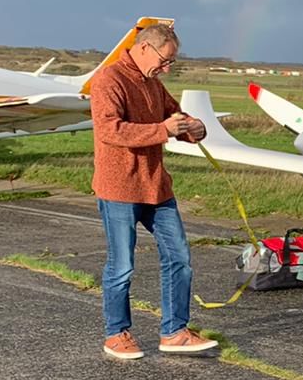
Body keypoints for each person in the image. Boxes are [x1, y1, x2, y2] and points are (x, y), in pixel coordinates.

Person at [90, 22, 218, 360]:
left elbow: (175, 117)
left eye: (171, 62)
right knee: (122, 266)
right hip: (119, 188)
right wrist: (162, 130)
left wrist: (195, 128)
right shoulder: (109, 79)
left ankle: (174, 332)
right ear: (145, 47)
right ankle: (116, 334)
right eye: (165, 60)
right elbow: (109, 130)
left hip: (156, 187)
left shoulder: (154, 84)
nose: (167, 68)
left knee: (180, 258)